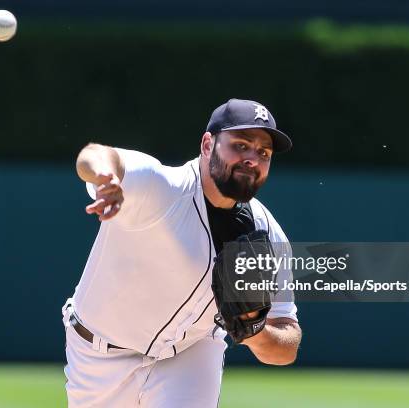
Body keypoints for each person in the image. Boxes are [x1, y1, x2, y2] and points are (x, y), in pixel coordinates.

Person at [62, 98, 302, 407]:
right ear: (207, 144)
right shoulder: (160, 188)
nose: (252, 159)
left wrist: (253, 330)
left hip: (190, 353)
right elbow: (94, 155)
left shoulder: (267, 236)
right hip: (99, 354)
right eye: (241, 145)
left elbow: (286, 346)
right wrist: (105, 176)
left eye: (263, 153)